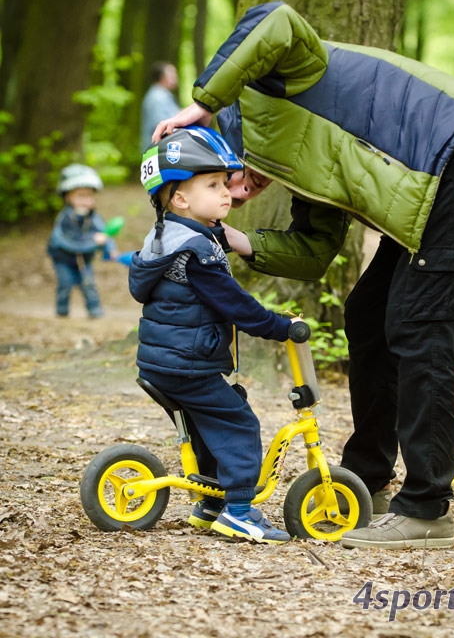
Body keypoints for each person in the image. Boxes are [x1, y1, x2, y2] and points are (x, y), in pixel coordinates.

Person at [152, 1, 454, 550]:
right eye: (225, 190)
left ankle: (426, 509)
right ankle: (365, 481)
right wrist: (237, 240)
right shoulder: (304, 171)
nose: (235, 192)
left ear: (231, 139)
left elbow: (275, 18)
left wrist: (200, 103)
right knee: (369, 315)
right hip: (429, 185)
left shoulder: (280, 82)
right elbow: (313, 250)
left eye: (226, 177)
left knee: (421, 323)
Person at [129, 126, 299, 544]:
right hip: (189, 363)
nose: (227, 192)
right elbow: (236, 305)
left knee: (212, 418)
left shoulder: (164, 237)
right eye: (212, 185)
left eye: (226, 182)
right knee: (238, 421)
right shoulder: (198, 252)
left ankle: (211, 502)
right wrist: (281, 326)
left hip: (162, 360)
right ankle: (240, 509)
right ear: (180, 199)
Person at [48, 164, 117, 318]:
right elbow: (70, 241)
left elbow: (104, 233)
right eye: (80, 196)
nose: (85, 200)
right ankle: (62, 312)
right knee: (65, 284)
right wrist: (94, 241)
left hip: (84, 260)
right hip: (63, 259)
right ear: (68, 197)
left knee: (88, 283)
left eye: (89, 196)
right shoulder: (65, 218)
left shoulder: (93, 217)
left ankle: (95, 312)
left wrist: (109, 248)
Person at [140, 61, 180, 153]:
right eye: (172, 74)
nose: (175, 77)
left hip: (160, 149)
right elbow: (162, 124)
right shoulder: (157, 97)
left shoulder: (163, 95)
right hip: (156, 151)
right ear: (162, 77)